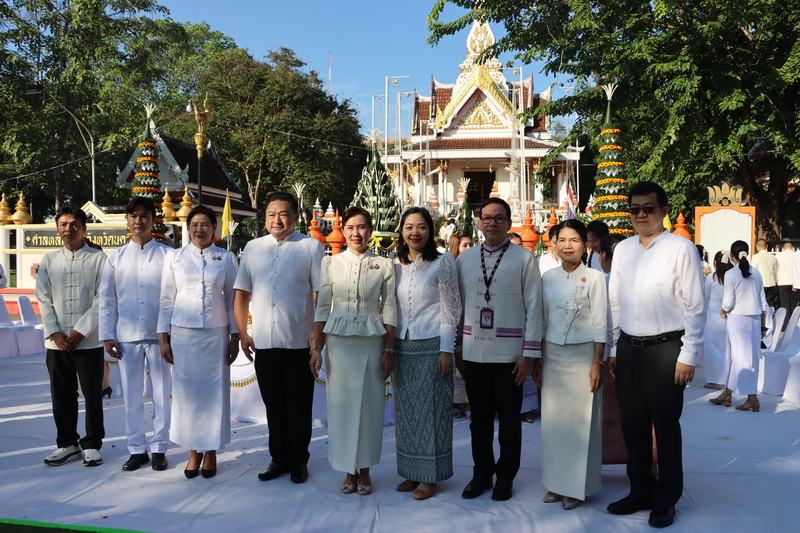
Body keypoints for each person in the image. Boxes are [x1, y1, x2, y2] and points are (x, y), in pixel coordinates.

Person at [607, 181, 705, 528]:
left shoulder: (681, 248)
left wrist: (688, 353)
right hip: (629, 348)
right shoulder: (623, 250)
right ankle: (640, 491)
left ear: (663, 209)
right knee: (632, 426)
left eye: (648, 208)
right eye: (634, 209)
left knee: (665, 427)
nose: (641, 215)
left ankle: (666, 498)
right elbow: (615, 300)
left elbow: (695, 305)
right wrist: (614, 345)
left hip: (667, 349)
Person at [456, 198, 543, 502]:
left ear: (508, 223)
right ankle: (481, 473)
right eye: (486, 218)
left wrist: (529, 354)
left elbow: (535, 308)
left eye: (499, 218)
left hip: (510, 356)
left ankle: (505, 476)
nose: (492, 223)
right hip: (474, 354)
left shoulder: (524, 258)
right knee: (478, 419)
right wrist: (457, 349)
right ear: (478, 222)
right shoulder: (464, 259)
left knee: (509, 420)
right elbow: (456, 308)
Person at [234, 191, 324, 484]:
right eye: (271, 214)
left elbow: (321, 294)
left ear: (295, 217)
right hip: (264, 342)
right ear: (265, 217)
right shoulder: (252, 248)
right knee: (273, 405)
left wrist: (316, 335)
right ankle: (278, 458)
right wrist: (243, 333)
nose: (277, 219)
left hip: (298, 341)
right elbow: (241, 293)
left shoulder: (310, 247)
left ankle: (298, 460)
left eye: (283, 214)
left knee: (299, 405)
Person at [311, 206, 397, 496]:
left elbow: (390, 307)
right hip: (338, 339)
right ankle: (348, 470)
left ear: (370, 231)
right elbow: (323, 307)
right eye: (350, 227)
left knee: (370, 406)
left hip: (373, 339)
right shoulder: (330, 264)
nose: (356, 233)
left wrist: (389, 349)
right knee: (343, 406)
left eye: (362, 227)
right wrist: (315, 347)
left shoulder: (385, 265)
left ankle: (366, 471)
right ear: (343, 230)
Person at [158, 205, 239, 479]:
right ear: (187, 228)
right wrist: (162, 336)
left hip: (216, 334)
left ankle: (212, 451)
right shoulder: (175, 257)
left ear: (214, 229)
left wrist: (235, 336)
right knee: (187, 395)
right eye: (194, 224)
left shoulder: (226, 258)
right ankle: (193, 452)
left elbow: (231, 301)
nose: (199, 229)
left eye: (206, 224)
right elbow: (167, 298)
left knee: (214, 395)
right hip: (183, 334)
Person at [535, 219, 607, 510]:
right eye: (562, 240)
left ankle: (576, 488)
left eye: (574, 240)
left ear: (585, 244)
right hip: (551, 356)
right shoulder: (547, 278)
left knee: (581, 423)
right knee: (553, 423)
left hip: (583, 357)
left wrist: (597, 362)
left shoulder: (594, 278)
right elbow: (540, 321)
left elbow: (601, 324)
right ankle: (555, 483)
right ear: (553, 244)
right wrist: (537, 359)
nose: (567, 246)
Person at [392, 207, 461, 501]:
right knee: (407, 413)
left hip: (433, 344)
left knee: (432, 413)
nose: (415, 232)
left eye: (421, 227)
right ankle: (411, 471)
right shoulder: (394, 263)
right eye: (409, 227)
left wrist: (447, 350)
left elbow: (451, 308)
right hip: (402, 347)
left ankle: (430, 476)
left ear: (430, 231)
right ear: (401, 231)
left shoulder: (443, 262)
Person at [98, 197, 171, 472]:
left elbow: (171, 297)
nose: (138, 221)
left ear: (153, 220)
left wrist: (168, 334)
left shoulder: (167, 255)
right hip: (126, 336)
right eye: (133, 216)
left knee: (162, 393)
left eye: (144, 216)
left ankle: (159, 447)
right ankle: (136, 448)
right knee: (131, 394)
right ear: (127, 220)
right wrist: (107, 334)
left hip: (159, 336)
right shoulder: (115, 258)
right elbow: (107, 299)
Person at [37, 206, 107, 467]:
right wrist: (55, 333)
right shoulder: (49, 260)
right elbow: (43, 299)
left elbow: (103, 298)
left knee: (92, 393)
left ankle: (91, 444)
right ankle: (67, 443)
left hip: (88, 340)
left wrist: (80, 331)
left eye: (74, 224)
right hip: (57, 343)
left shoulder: (99, 259)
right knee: (62, 393)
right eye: (64, 224)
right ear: (57, 228)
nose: (69, 229)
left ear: (84, 228)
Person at [712, 241, 767, 412]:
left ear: (732, 255)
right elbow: (763, 301)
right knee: (747, 357)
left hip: (738, 318)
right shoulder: (756, 273)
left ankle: (752, 397)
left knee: (739, 357)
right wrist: (764, 325)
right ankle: (728, 393)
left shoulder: (731, 274)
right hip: (755, 318)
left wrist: (723, 310)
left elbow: (728, 300)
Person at [448, 229, 473, 418]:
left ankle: (469, 403)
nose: (469, 248)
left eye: (471, 244)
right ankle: (455, 402)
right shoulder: (449, 265)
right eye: (465, 245)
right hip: (454, 317)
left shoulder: (475, 265)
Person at [703, 252, 733, 390]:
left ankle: (715, 379)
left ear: (716, 262)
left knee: (713, 348)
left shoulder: (713, 278)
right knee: (727, 348)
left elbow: (705, 295)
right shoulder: (734, 276)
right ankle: (729, 377)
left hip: (714, 314)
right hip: (731, 315)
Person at [751, 239, 778, 309]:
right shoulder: (772, 257)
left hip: (761, 283)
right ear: (766, 246)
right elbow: (775, 271)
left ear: (757, 246)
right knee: (768, 303)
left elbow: (752, 270)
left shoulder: (756, 257)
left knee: (760, 304)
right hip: (771, 283)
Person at [776, 243, 795, 323]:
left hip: (782, 282)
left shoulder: (779, 255)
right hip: (794, 282)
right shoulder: (795, 255)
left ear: (783, 248)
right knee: (794, 303)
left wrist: (776, 281)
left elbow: (776, 268)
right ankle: (794, 322)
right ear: (793, 248)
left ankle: (786, 322)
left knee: (785, 304)